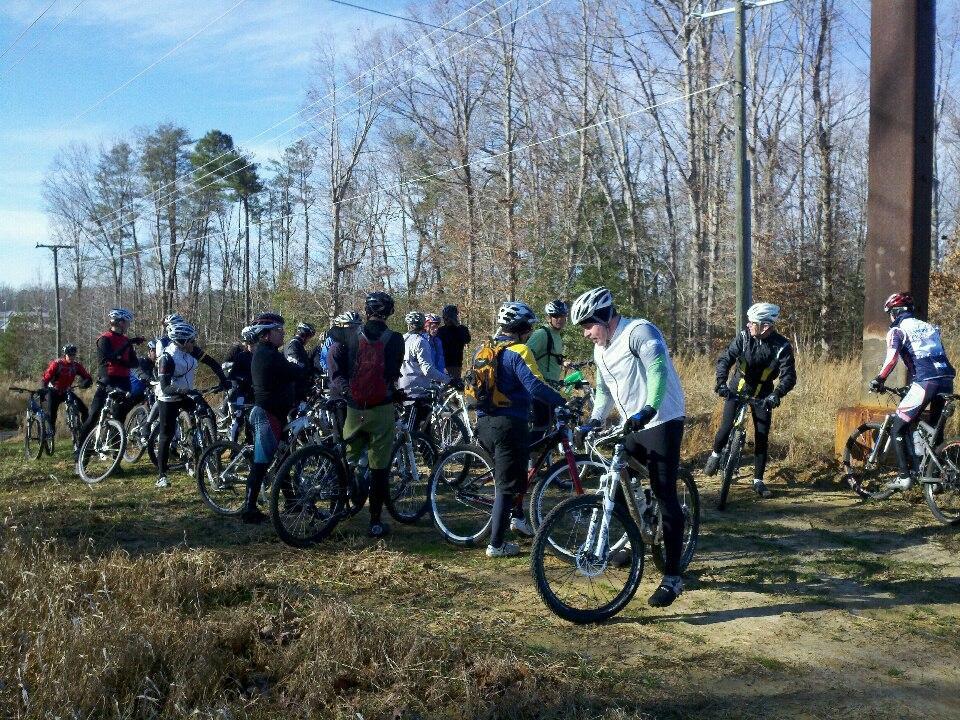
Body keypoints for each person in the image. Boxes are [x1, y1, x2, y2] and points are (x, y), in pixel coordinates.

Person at [571, 287, 687, 608]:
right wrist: (593, 421)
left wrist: (649, 408)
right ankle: (631, 542)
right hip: (631, 423)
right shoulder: (601, 348)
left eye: (588, 326)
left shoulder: (640, 331)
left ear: (606, 318)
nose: (585, 334)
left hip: (662, 418)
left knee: (665, 494)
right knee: (620, 484)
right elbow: (604, 391)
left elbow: (658, 370)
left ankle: (673, 578)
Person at [470, 301, 565, 558]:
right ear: (521, 328)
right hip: (509, 424)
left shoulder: (484, 349)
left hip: (484, 423)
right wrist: (561, 400)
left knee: (515, 472)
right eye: (529, 327)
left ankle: (517, 518)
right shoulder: (519, 351)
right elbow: (534, 386)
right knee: (506, 486)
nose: (532, 332)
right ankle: (496, 544)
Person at [330, 291, 405, 539]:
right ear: (390, 312)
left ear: (366, 310)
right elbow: (393, 375)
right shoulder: (395, 339)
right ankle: (374, 522)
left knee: (348, 457)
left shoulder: (350, 334)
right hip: (381, 409)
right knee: (379, 467)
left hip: (353, 407)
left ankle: (340, 504)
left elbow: (339, 361)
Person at [703, 302, 796, 499]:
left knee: (762, 435)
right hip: (737, 389)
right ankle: (716, 454)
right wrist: (720, 383)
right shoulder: (744, 338)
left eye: (753, 323)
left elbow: (789, 376)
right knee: (726, 427)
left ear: (766, 326)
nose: (748, 325)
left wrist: (777, 394)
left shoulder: (782, 346)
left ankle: (758, 480)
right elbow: (726, 359)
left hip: (763, 395)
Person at [869, 292, 955, 490]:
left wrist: (879, 380)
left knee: (898, 426)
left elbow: (891, 359)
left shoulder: (897, 330)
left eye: (890, 313)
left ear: (895, 312)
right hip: (946, 380)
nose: (890, 317)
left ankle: (904, 477)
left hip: (926, 381)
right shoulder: (930, 327)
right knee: (935, 432)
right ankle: (935, 480)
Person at [154, 322, 229, 488]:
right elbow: (165, 386)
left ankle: (211, 455)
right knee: (167, 434)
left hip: (189, 392)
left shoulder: (192, 351)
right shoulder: (166, 358)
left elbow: (213, 363)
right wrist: (183, 390)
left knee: (208, 415)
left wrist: (224, 380)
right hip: (169, 396)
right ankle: (161, 475)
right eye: (191, 340)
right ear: (181, 341)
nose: (194, 343)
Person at [246, 312, 301, 523]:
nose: (283, 334)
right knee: (261, 463)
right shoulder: (266, 354)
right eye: (278, 331)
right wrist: (303, 369)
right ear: (266, 334)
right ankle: (249, 509)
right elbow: (290, 371)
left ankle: (291, 500)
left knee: (284, 458)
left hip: (276, 413)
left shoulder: (270, 352)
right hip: (268, 414)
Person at [76, 308, 144, 452]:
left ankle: (115, 457)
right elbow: (107, 358)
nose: (128, 325)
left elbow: (134, 363)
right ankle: (80, 450)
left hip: (124, 381)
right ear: (120, 323)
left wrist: (120, 358)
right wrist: (125, 348)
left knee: (119, 417)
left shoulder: (125, 340)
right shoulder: (104, 339)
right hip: (107, 380)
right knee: (93, 414)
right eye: (127, 322)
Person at [399, 311, 450, 430]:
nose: (436, 328)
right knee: (418, 429)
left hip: (404, 387)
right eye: (433, 325)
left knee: (416, 427)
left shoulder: (402, 339)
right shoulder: (421, 341)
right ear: (424, 325)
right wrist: (448, 379)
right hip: (419, 390)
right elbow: (428, 369)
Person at [526, 299, 568, 440]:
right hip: (540, 388)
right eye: (556, 316)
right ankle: (529, 457)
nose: (560, 319)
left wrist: (562, 362)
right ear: (549, 317)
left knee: (548, 426)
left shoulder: (557, 336)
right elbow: (524, 356)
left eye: (562, 316)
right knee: (540, 427)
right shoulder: (541, 334)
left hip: (552, 387)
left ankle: (539, 458)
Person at [40, 344, 92, 440]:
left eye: (73, 355)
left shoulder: (76, 366)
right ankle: (51, 432)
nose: (72, 357)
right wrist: (44, 389)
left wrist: (86, 382)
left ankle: (85, 432)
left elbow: (87, 376)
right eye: (70, 355)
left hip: (66, 392)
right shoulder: (57, 364)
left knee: (84, 410)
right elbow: (45, 378)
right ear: (65, 354)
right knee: (52, 413)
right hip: (53, 391)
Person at [315, 311, 362, 375]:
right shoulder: (332, 338)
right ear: (341, 326)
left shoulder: (357, 339)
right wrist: (328, 370)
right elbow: (324, 358)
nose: (353, 331)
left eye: (356, 328)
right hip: (335, 375)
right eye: (350, 327)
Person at [436, 305, 471, 381]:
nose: (445, 320)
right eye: (444, 318)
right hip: (442, 364)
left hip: (455, 365)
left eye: (447, 318)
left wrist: (456, 325)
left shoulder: (461, 329)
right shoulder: (440, 331)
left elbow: (467, 339)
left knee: (452, 387)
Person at [285, 321, 317, 402]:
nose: (309, 340)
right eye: (309, 336)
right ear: (305, 335)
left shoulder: (297, 344)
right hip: (294, 388)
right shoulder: (293, 344)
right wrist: (309, 373)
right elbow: (296, 364)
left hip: (299, 386)